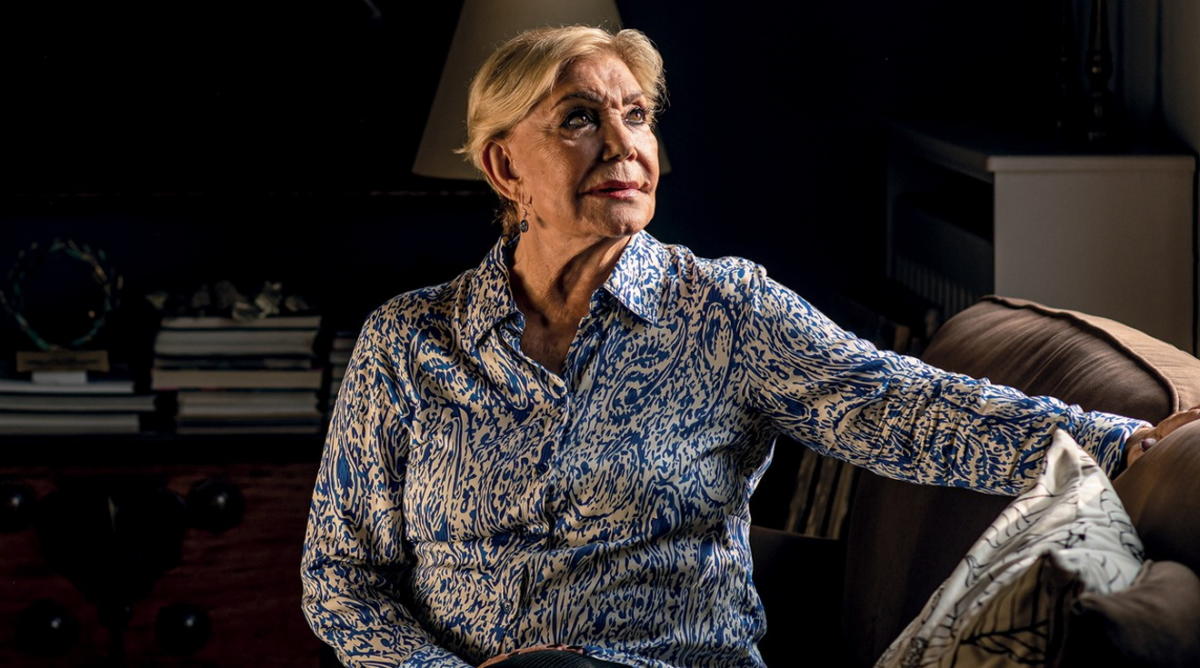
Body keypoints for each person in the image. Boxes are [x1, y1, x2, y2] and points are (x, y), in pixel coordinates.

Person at [301, 25, 1197, 668]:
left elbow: (901, 406)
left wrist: (1122, 442)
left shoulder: (725, 311)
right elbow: (340, 577)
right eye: (579, 119)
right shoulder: (408, 341)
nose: (623, 146)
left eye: (637, 116)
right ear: (504, 168)